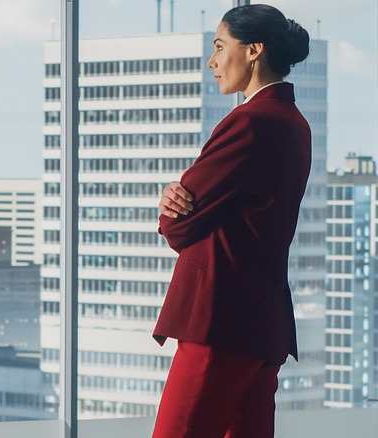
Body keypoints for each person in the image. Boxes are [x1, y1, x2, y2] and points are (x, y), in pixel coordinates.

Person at [150, 4, 312, 438]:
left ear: (254, 50)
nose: (212, 61)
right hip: (263, 324)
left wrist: (170, 205)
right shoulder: (294, 123)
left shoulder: (250, 121)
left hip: (221, 321)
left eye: (220, 46)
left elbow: (178, 227)